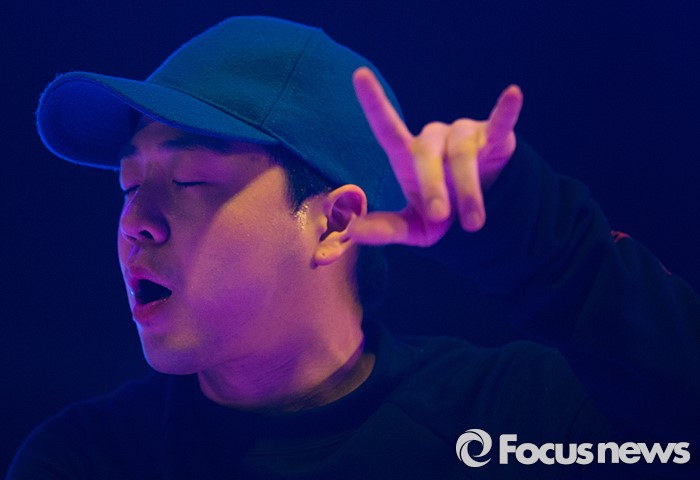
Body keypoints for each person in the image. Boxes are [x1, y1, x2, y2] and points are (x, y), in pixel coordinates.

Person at [7, 15, 699, 480]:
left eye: (189, 179)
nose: (136, 222)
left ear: (335, 222)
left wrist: (544, 243)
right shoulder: (86, 460)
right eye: (129, 186)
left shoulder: (512, 420)